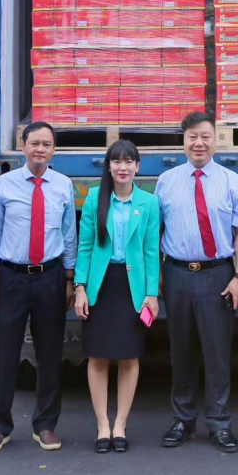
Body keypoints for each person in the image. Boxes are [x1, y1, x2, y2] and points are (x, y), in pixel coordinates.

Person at [155, 111, 238, 453]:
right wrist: (157, 281)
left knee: (217, 352)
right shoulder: (166, 181)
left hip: (218, 276)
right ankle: (183, 419)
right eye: (192, 136)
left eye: (205, 136)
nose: (199, 142)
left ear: (215, 139)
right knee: (180, 351)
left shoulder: (231, 181)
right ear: (183, 140)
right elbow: (157, 234)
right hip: (177, 274)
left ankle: (219, 422)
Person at [0, 122, 77, 454]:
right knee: (6, 352)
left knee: (50, 353)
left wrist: (68, 281)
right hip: (11, 277)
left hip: (50, 277)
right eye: (34, 143)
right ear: (23, 146)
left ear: (53, 150)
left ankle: (46, 425)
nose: (40, 149)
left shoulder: (64, 186)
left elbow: (68, 237)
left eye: (46, 144)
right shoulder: (3, 185)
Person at [74, 140, 161, 454]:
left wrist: (152, 293)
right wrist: (80, 287)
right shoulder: (97, 197)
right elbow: (85, 246)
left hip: (132, 286)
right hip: (101, 284)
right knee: (97, 356)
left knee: (129, 356)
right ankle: (102, 424)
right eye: (116, 161)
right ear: (108, 166)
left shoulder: (149, 203)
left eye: (129, 161)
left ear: (138, 166)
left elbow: (152, 251)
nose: (122, 167)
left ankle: (121, 423)